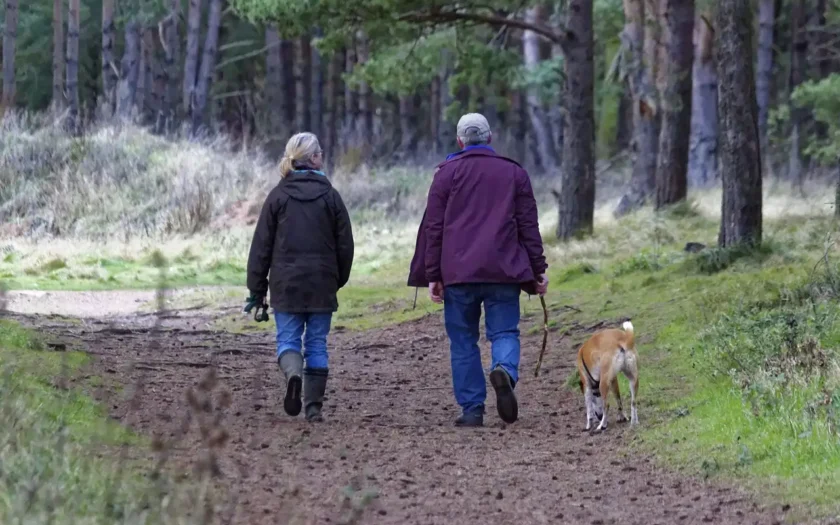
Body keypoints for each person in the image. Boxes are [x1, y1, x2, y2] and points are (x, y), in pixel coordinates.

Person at [407, 113, 549, 427]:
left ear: (459, 141)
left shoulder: (445, 175)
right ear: (490, 137)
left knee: (463, 341)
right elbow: (529, 227)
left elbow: (434, 228)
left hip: (458, 275)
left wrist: (433, 275)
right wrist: (538, 269)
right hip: (503, 272)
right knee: (504, 332)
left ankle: (472, 409)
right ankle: (505, 372)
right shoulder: (514, 173)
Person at [245, 132, 354, 422]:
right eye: (320, 153)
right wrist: (337, 280)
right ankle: (313, 407)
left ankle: (293, 374)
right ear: (315, 158)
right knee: (317, 344)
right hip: (321, 284)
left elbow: (261, 248)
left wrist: (257, 291)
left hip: (286, 285)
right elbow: (346, 245)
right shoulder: (331, 196)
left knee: (288, 342)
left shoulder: (278, 196)